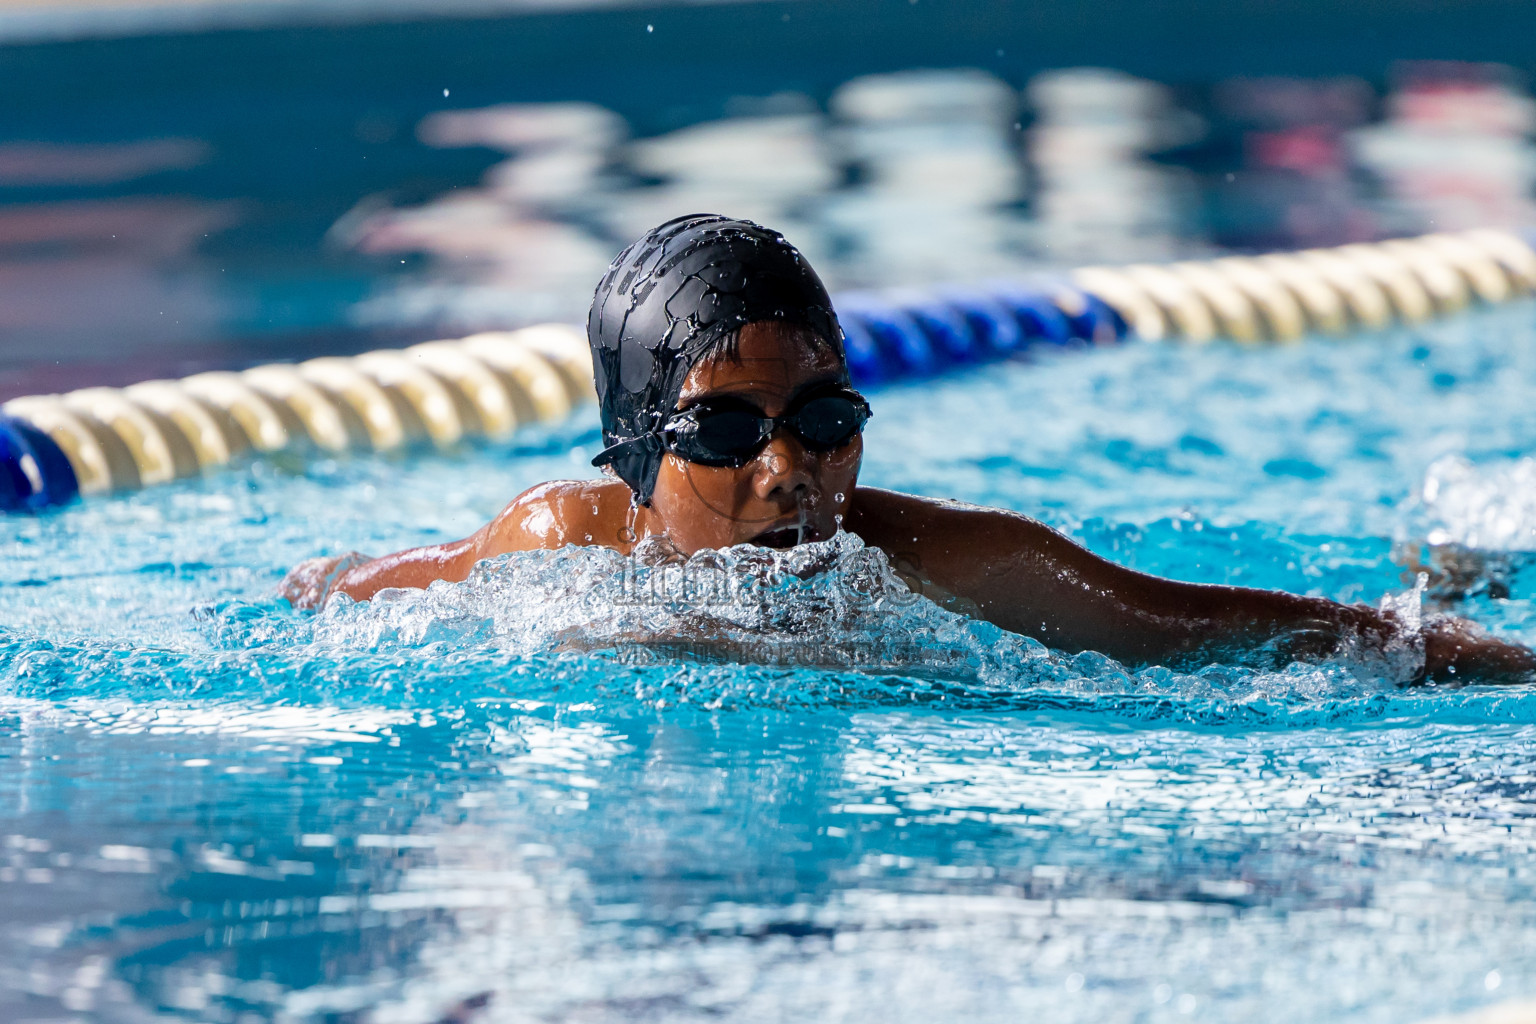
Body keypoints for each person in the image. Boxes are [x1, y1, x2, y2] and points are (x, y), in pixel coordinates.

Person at [283, 214, 1534, 682]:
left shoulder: (935, 560)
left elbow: (1198, 627)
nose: (793, 473)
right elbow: (421, 580)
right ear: (630, 457)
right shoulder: (561, 543)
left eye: (826, 418)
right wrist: (340, 585)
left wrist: (1470, 658)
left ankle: (1454, 571)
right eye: (726, 429)